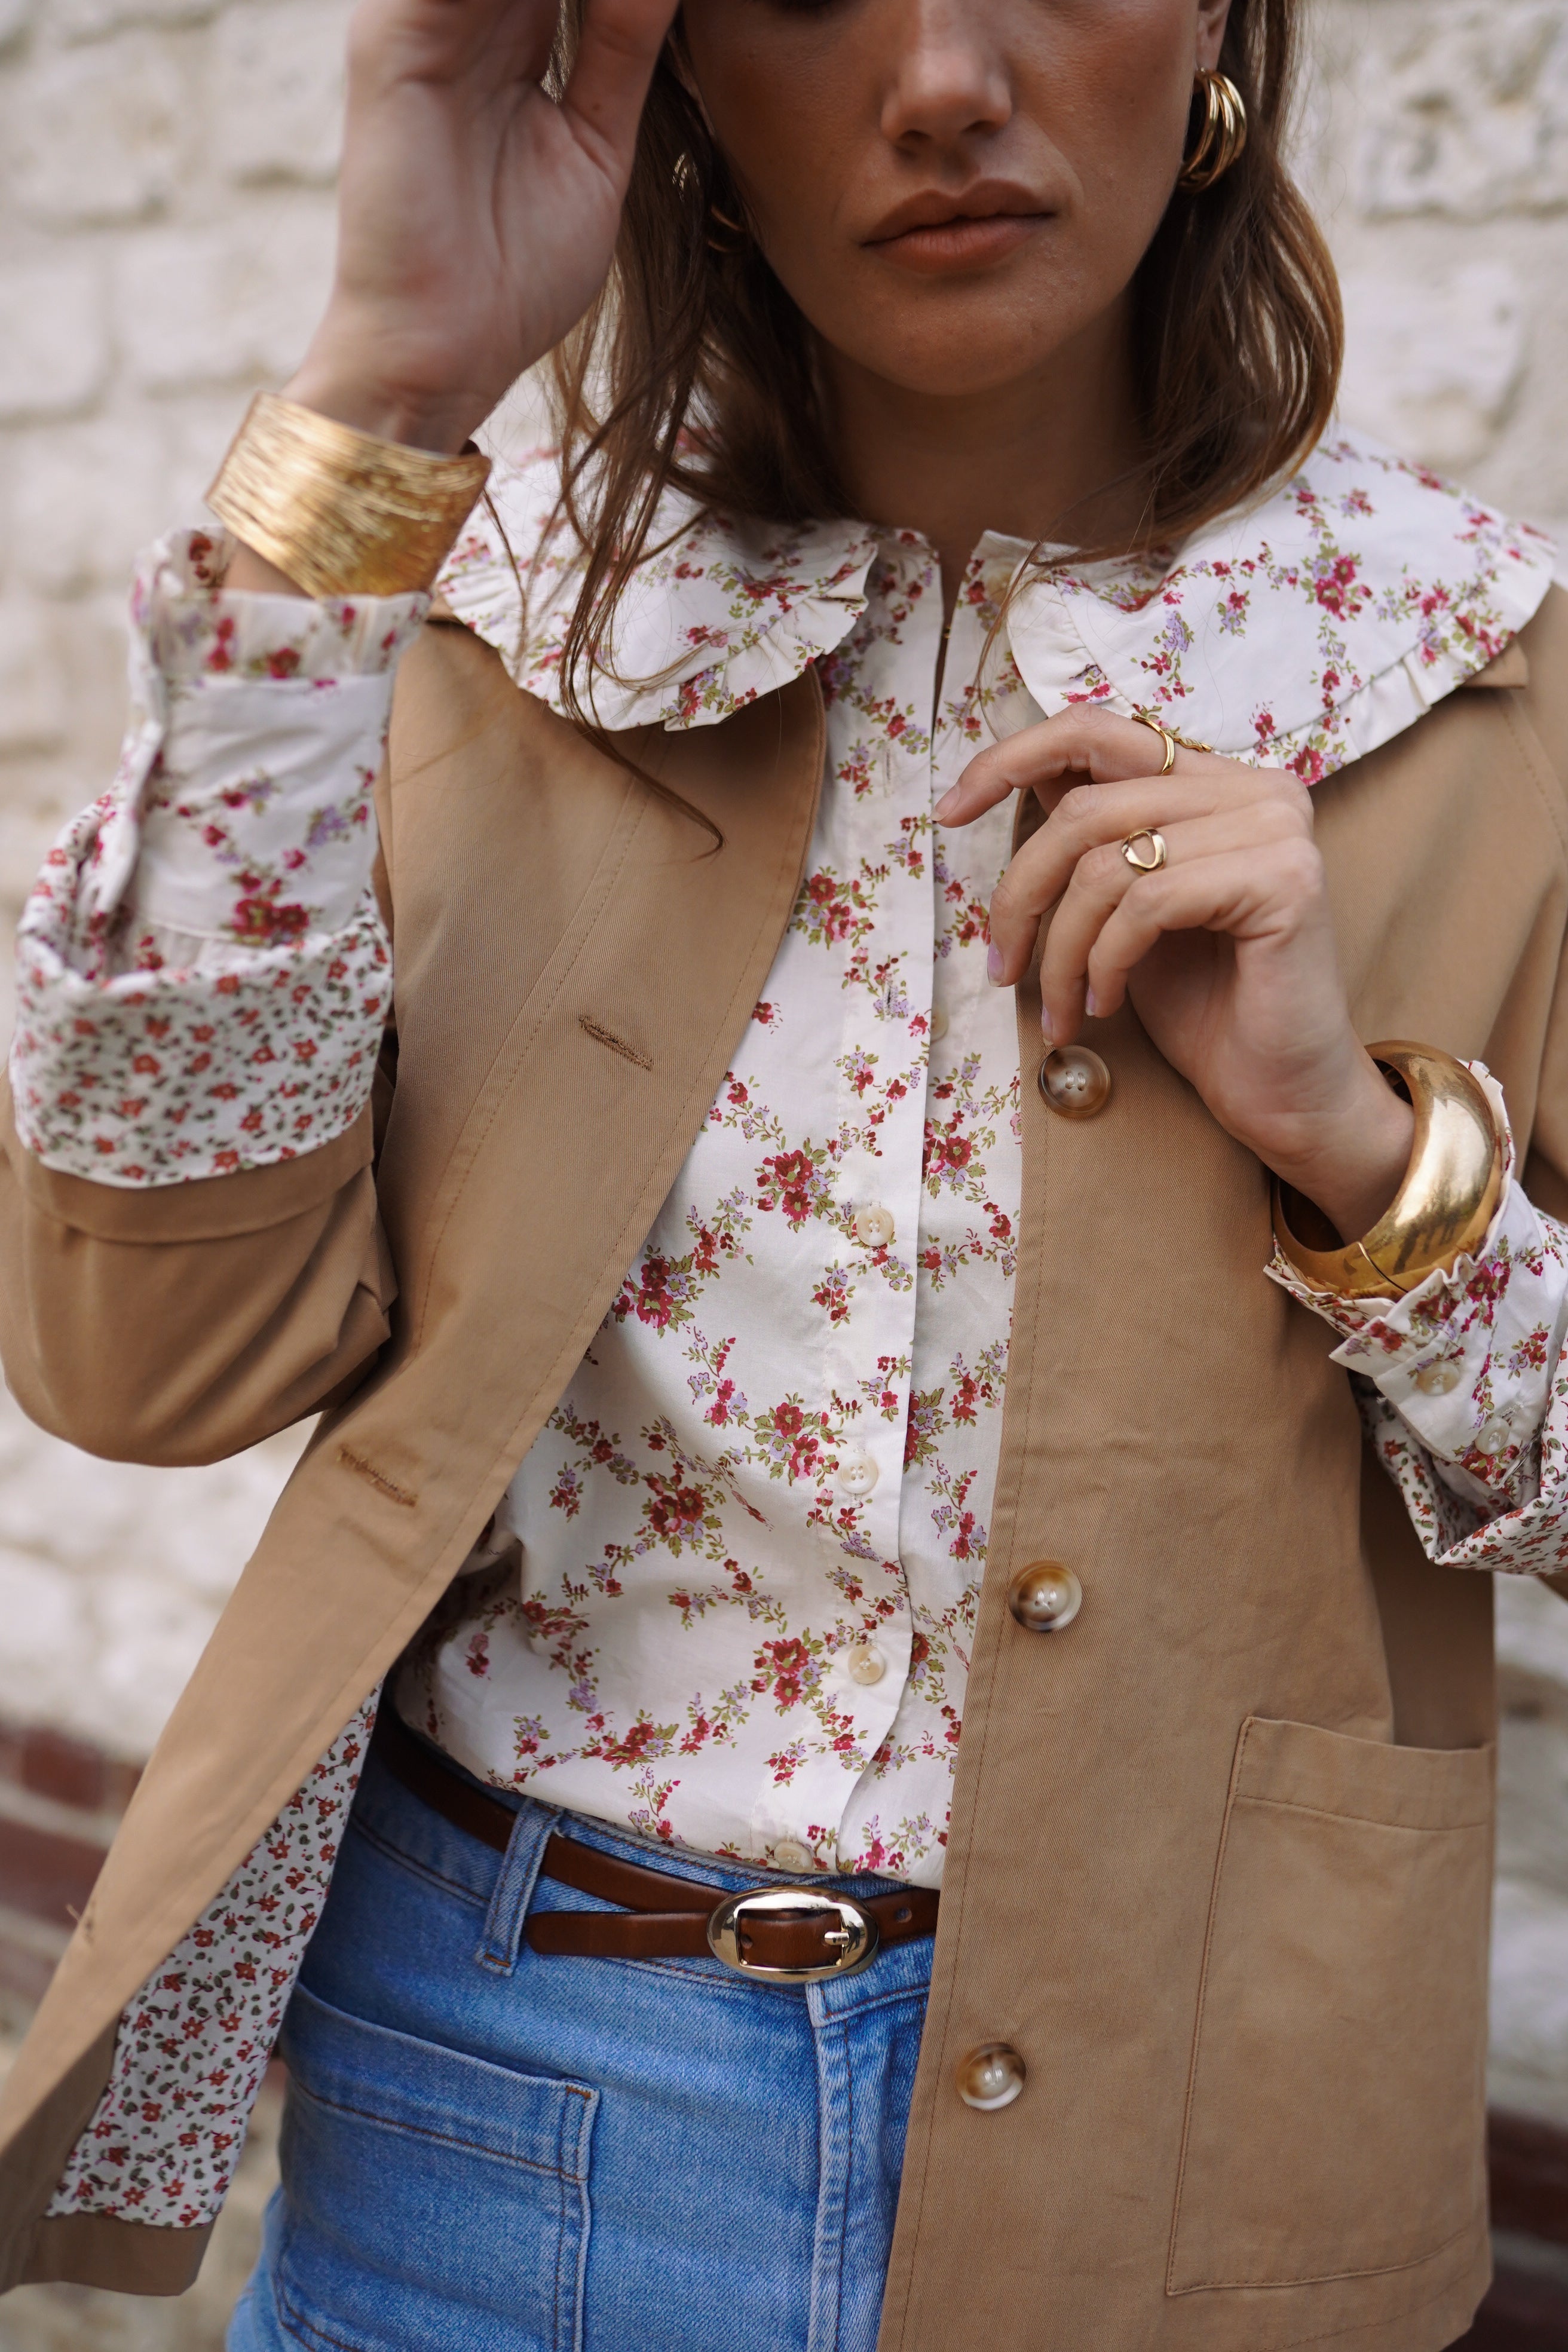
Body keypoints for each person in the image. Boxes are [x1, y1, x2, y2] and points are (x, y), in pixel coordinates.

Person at [0, 0, 1565, 2344]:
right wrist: (382, 404)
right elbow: (142, 1362)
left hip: (1206, 2136)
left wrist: (1360, 1149)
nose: (939, 80)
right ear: (678, 72)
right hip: (494, 2108)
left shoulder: (1474, 680)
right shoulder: (475, 633)